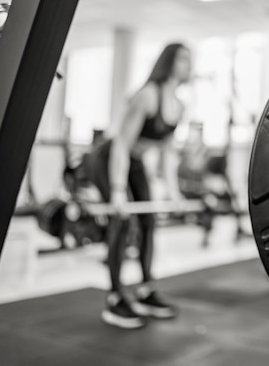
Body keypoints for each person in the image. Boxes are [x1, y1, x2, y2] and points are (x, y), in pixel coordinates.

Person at [82, 42, 192, 329]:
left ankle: (145, 291)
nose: (188, 65)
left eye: (189, 59)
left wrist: (174, 192)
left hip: (137, 163)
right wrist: (118, 189)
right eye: (182, 59)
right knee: (122, 220)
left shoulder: (179, 106)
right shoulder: (147, 96)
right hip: (110, 158)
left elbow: (168, 153)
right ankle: (116, 298)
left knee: (148, 222)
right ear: (168, 63)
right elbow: (121, 144)